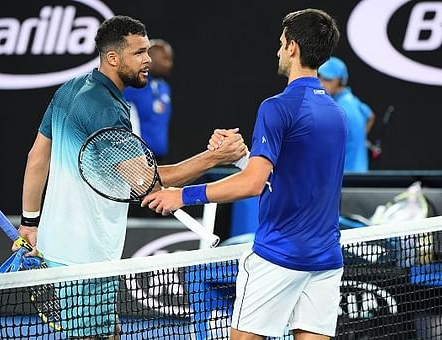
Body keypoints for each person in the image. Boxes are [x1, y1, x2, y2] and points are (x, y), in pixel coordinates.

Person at [16, 15, 247, 338]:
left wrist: (29, 221)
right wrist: (215, 157)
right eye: (139, 52)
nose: (148, 59)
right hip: (87, 258)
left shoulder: (70, 89)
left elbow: (36, 158)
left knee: (109, 332)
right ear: (113, 58)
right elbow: (148, 182)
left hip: (59, 246)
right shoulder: (106, 110)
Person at [142, 9, 345, 340]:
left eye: (281, 44)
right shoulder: (335, 113)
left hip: (278, 258)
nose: (278, 51)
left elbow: (254, 184)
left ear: (292, 48)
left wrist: (182, 194)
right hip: (325, 259)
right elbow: (289, 179)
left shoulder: (276, 107)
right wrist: (242, 158)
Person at [318, 56, 375, 173]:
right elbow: (370, 116)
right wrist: (358, 138)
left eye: (328, 79)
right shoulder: (353, 101)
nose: (321, 84)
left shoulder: (336, 109)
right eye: (320, 78)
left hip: (346, 178)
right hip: (361, 173)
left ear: (341, 81)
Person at [124, 39, 174, 164]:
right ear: (150, 59)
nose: (169, 64)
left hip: (161, 158)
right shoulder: (132, 88)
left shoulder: (164, 88)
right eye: (165, 59)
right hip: (138, 159)